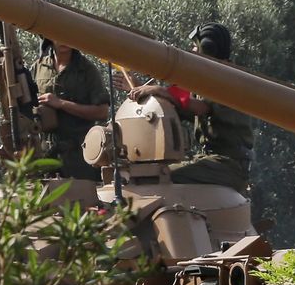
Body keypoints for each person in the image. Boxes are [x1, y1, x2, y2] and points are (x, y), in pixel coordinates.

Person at [126, 23, 254, 194]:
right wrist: (142, 90)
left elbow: (200, 108)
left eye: (195, 46)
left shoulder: (227, 79)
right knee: (151, 172)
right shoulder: (207, 79)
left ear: (207, 49)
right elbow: (181, 104)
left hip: (229, 165)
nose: (192, 50)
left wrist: (161, 90)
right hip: (214, 161)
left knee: (162, 176)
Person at [32, 40, 110, 180]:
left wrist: (61, 104)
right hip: (46, 156)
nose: (64, 39)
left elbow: (102, 112)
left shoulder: (87, 70)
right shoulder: (38, 67)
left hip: (79, 157)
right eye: (58, 34)